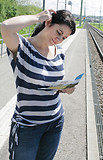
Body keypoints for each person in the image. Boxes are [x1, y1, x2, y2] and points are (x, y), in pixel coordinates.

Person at [1, 9, 76, 160]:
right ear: (48, 23)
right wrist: (37, 17)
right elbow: (5, 26)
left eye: (64, 37)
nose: (59, 39)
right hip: (28, 126)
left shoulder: (59, 52)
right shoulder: (22, 47)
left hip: (55, 123)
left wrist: (64, 88)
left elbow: (48, 82)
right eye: (59, 32)